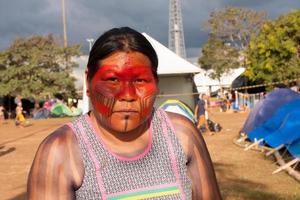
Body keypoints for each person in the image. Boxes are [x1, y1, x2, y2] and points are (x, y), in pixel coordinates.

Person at [27, 27, 221, 199]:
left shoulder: (181, 134)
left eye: (140, 81)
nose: (127, 95)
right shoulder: (61, 150)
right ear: (88, 82)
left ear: (156, 82)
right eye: (112, 80)